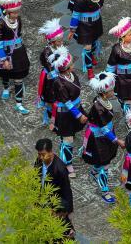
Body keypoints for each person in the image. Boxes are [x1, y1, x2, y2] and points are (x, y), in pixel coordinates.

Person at [83, 72, 126, 203]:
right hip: (99, 138)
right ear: (104, 93)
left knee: (101, 159)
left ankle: (94, 172)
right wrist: (117, 140)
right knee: (105, 163)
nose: (113, 92)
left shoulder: (102, 101)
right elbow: (103, 128)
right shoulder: (98, 107)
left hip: (105, 135)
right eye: (111, 90)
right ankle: (104, 191)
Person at [49, 46, 87, 178]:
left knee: (70, 135)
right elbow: (67, 102)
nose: (73, 65)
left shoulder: (72, 75)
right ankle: (67, 163)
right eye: (71, 64)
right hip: (65, 114)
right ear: (66, 68)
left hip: (75, 108)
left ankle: (64, 145)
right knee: (68, 139)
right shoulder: (59, 83)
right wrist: (79, 115)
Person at [0, 0, 31, 114]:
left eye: (17, 12)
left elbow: (19, 34)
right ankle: (6, 88)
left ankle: (19, 103)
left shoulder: (18, 20)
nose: (16, 14)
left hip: (18, 52)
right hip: (5, 52)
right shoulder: (1, 23)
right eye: (14, 12)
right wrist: (4, 59)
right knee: (5, 72)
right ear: (8, 12)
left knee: (19, 77)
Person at [67, 0, 105, 79]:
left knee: (94, 42)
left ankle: (92, 56)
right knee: (87, 46)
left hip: (96, 22)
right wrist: (72, 29)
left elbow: (100, 5)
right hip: (85, 25)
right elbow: (75, 14)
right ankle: (89, 69)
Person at [35, 138, 76, 239]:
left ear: (50, 152)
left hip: (54, 204)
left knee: (58, 232)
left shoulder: (60, 168)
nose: (40, 157)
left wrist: (68, 211)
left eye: (43, 154)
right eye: (39, 154)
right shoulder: (39, 161)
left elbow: (66, 191)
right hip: (42, 200)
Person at [36, 19, 64, 127]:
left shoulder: (59, 48)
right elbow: (50, 68)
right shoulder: (47, 52)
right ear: (52, 42)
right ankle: (51, 118)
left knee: (58, 99)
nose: (61, 43)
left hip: (58, 75)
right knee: (51, 99)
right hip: (50, 78)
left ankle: (56, 117)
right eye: (59, 41)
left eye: (61, 40)